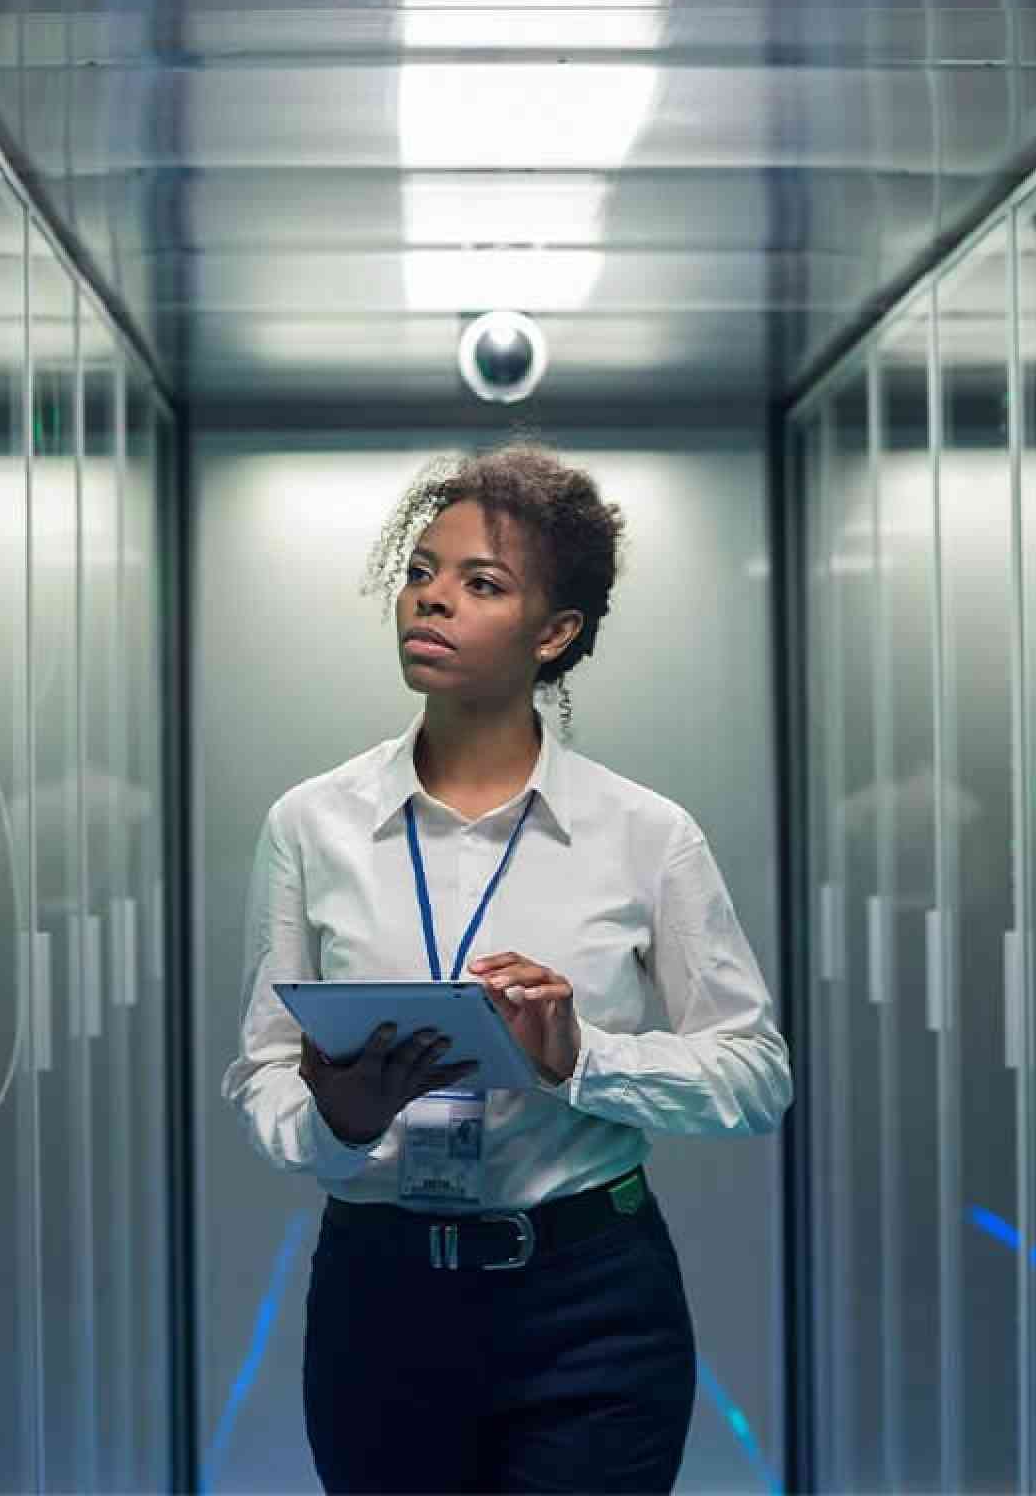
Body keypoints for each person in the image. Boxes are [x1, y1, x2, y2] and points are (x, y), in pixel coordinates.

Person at [222, 443, 793, 1495]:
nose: (430, 599)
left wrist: (583, 1058)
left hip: (591, 1303)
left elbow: (755, 1075)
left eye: (480, 583)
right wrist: (336, 1120)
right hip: (379, 1295)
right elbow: (259, 1069)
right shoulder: (311, 824)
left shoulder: (644, 833)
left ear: (555, 632)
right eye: (421, 570)